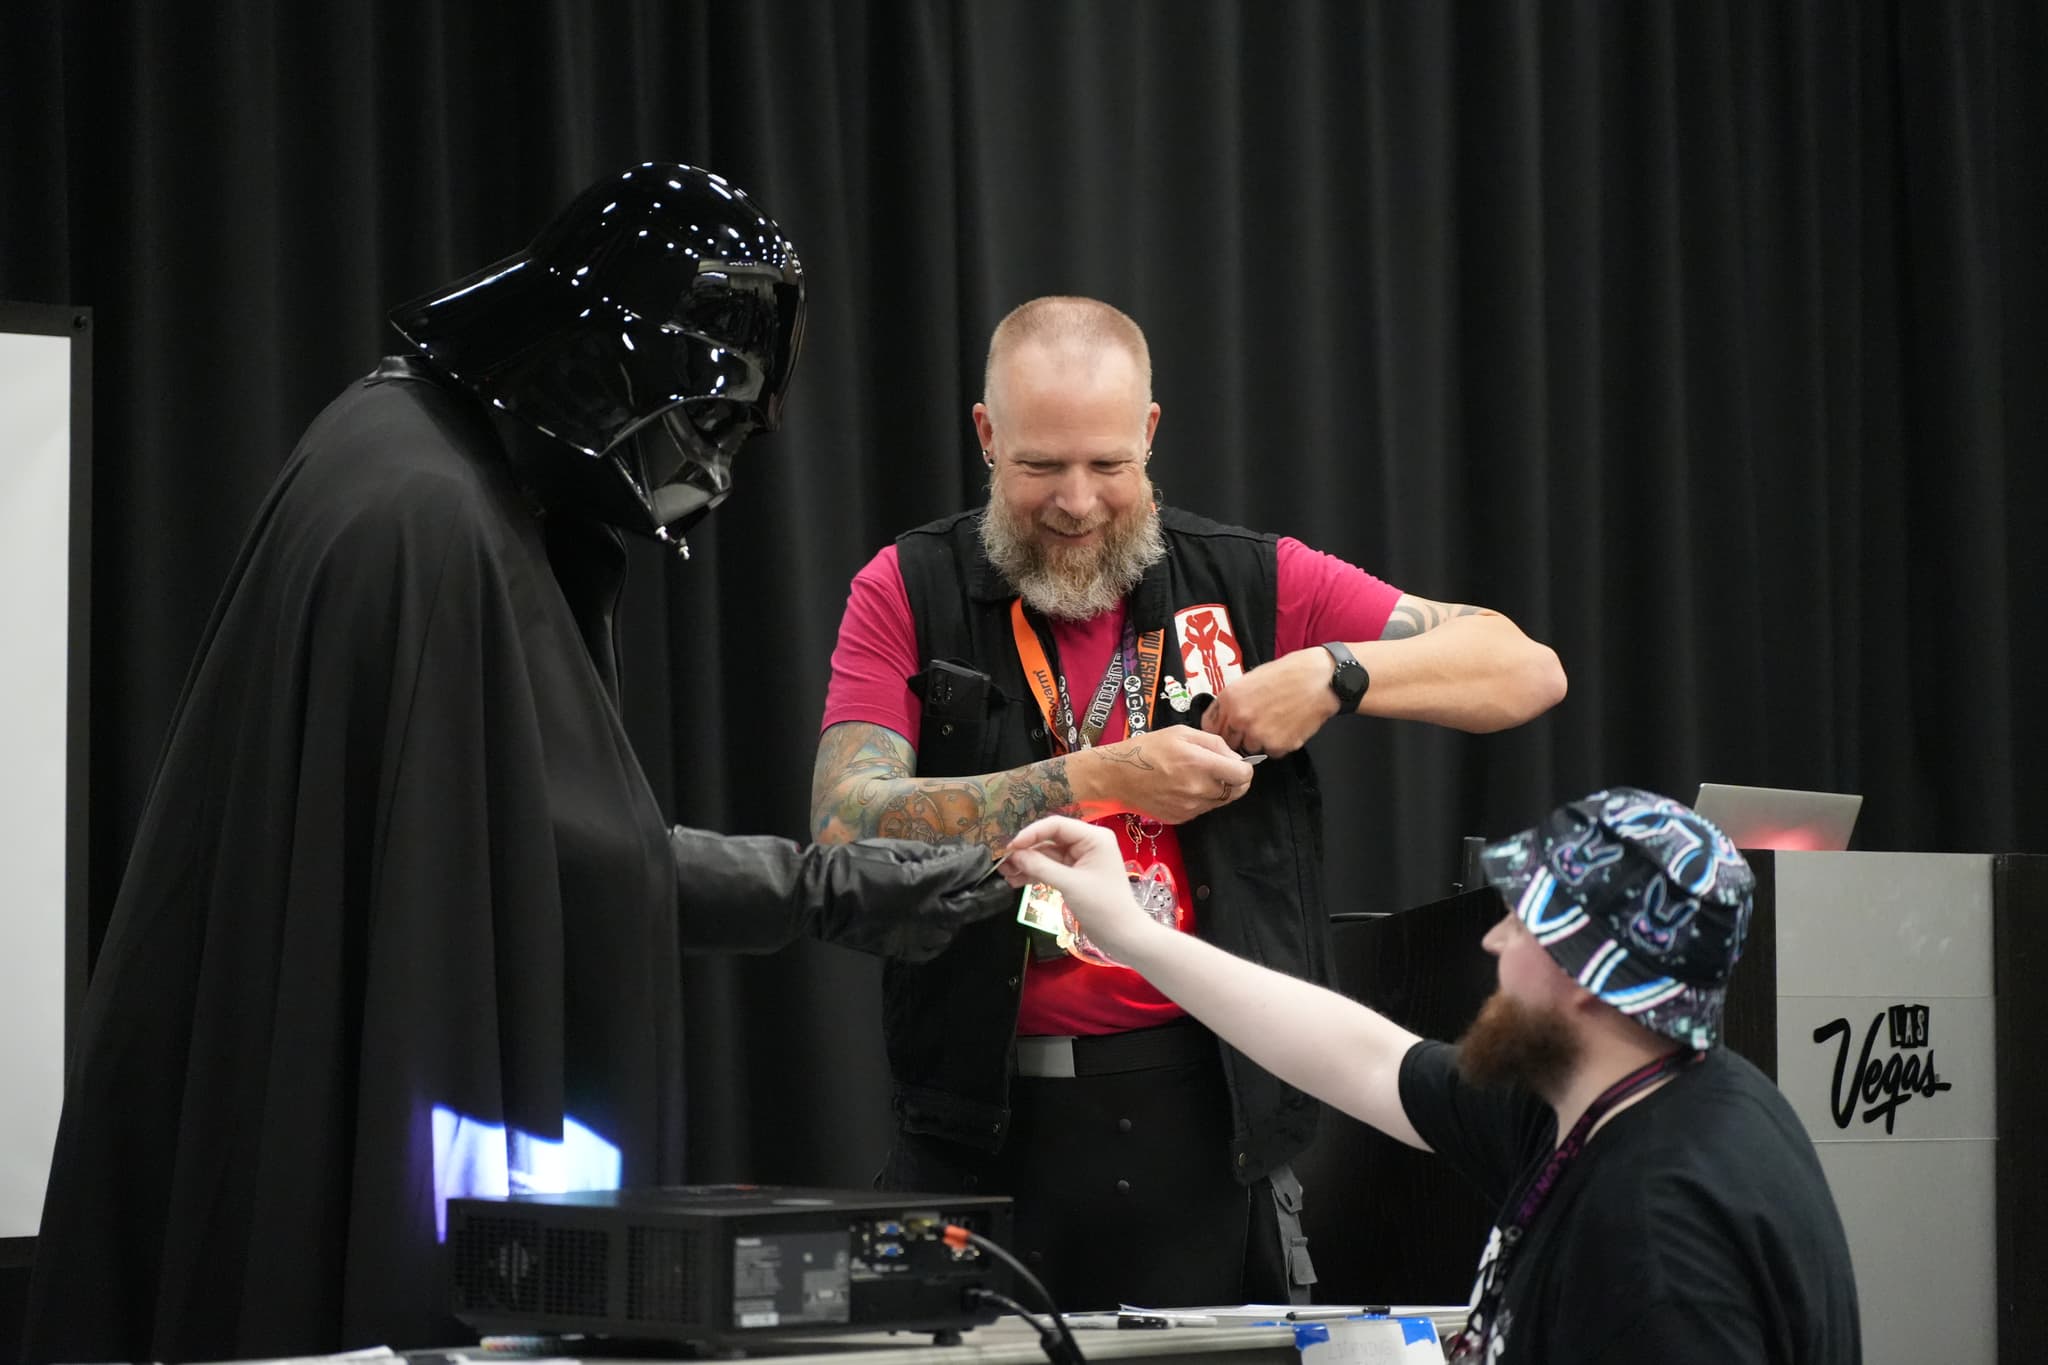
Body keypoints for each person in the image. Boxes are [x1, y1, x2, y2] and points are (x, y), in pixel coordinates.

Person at [23, 163, 1012, 1364]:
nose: (709, 469)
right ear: (608, 371)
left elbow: (524, 836)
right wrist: (825, 891)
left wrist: (826, 890)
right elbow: (547, 858)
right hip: (384, 1170)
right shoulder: (429, 519)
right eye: (706, 423)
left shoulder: (412, 458)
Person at [810, 295, 1567, 1310]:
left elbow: (1525, 670)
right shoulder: (908, 587)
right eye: (1040, 466)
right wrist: (1100, 776)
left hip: (1209, 1128)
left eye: (1108, 466)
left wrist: (1338, 674)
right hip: (975, 1131)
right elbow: (842, 823)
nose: (1077, 502)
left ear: (1150, 437)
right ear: (985, 437)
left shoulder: (1251, 581)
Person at [998, 789, 1862, 1362]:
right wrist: (1137, 935)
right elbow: (1366, 1057)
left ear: (1586, 974)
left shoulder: (1654, 1232)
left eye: (1521, 925)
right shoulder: (1628, 1104)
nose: (1492, 942)